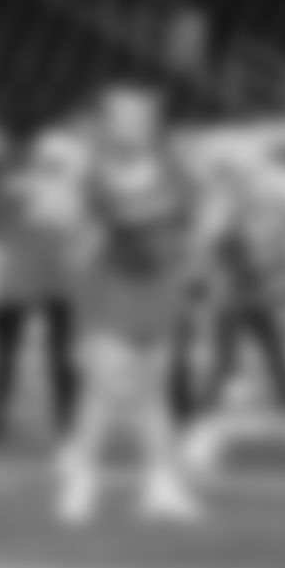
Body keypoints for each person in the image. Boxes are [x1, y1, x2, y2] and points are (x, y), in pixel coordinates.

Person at [54, 84, 217, 526]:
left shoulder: (174, 169)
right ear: (108, 125)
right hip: (115, 289)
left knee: (154, 392)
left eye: (140, 118)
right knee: (102, 390)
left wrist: (194, 267)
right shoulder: (94, 176)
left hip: (161, 290)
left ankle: (161, 486)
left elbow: (196, 222)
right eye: (123, 118)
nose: (132, 126)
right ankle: (81, 483)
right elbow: (82, 241)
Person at [177, 155, 285, 475]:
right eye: (239, 178)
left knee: (275, 353)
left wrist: (278, 245)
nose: (245, 183)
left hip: (255, 298)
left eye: (245, 177)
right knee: (227, 364)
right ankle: (200, 427)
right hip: (233, 301)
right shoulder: (229, 213)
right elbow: (221, 250)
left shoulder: (260, 205)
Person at [0, 121, 86, 444]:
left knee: (14, 345)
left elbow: (10, 195)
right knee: (58, 344)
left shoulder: (32, 176)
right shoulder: (73, 170)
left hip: (35, 257)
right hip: (54, 257)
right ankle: (64, 418)